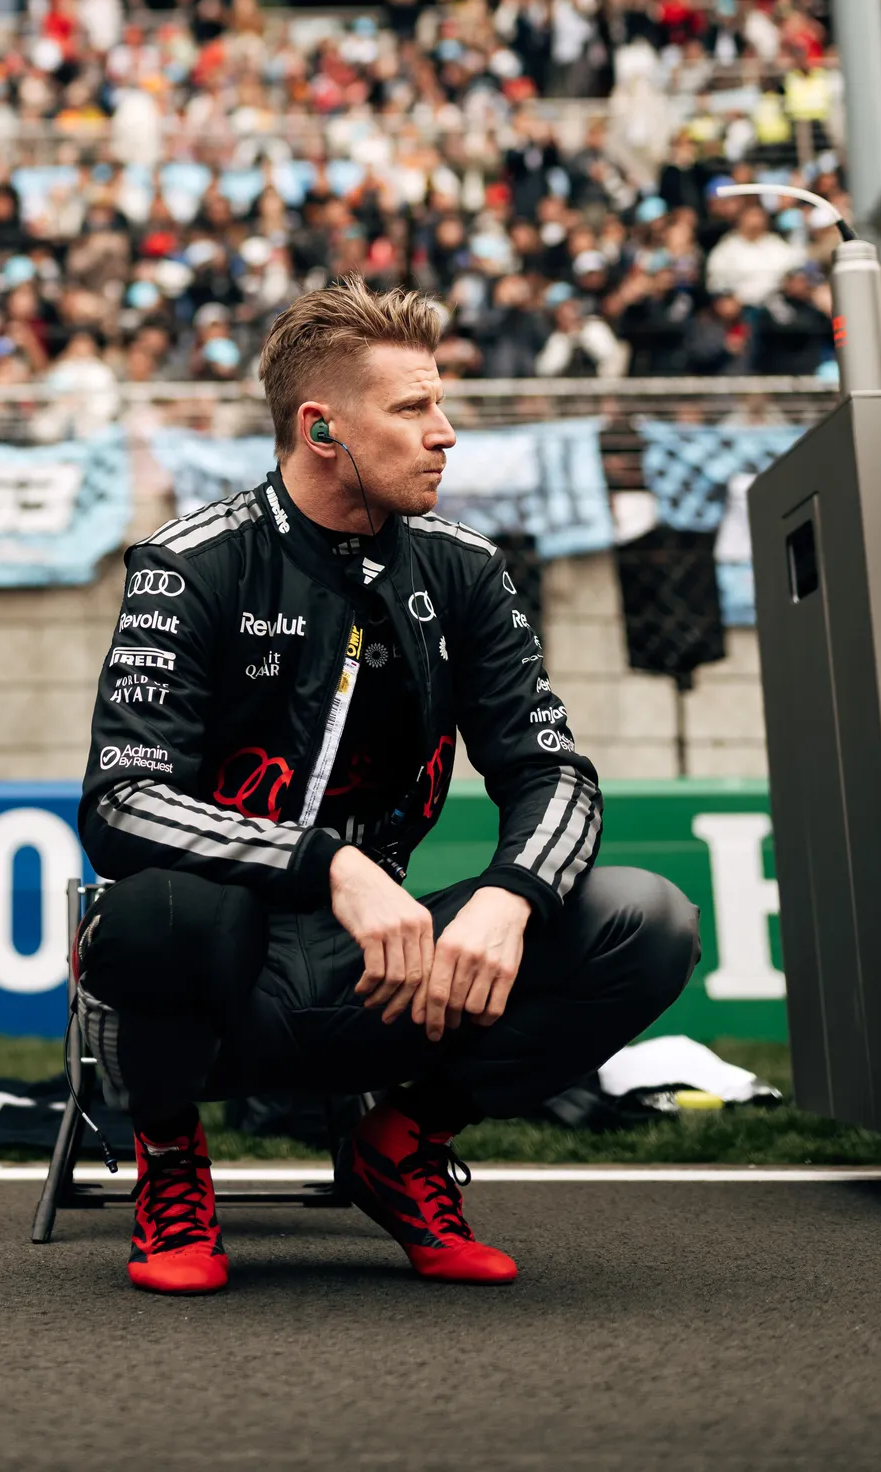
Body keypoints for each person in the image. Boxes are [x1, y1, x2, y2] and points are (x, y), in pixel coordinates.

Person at [75, 279, 698, 1296]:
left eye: (440, 404)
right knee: (160, 910)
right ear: (323, 429)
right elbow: (121, 801)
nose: (444, 434)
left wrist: (511, 895)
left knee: (646, 918)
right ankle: (172, 1158)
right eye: (413, 410)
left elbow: (553, 773)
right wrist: (330, 866)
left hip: (390, 972)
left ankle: (403, 1142)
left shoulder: (467, 572)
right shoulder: (190, 568)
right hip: (220, 983)